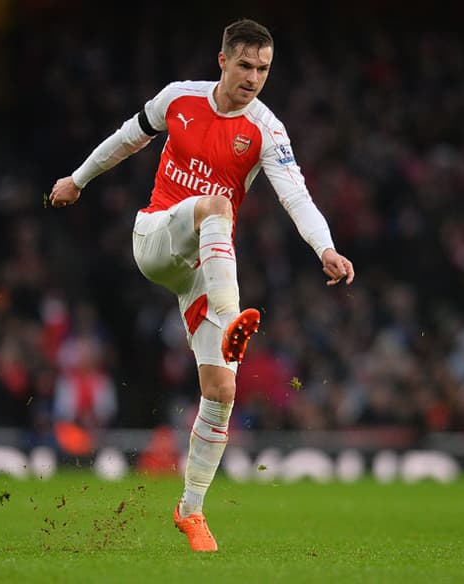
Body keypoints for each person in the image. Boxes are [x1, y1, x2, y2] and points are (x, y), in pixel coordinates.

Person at [49, 18, 354, 552]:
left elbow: (296, 196)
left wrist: (324, 247)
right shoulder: (179, 99)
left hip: (203, 270)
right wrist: (77, 180)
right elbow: (125, 140)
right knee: (217, 206)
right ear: (222, 61)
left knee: (222, 392)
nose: (254, 78)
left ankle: (191, 510)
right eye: (245, 65)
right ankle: (232, 315)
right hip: (158, 238)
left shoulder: (266, 129)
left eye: (263, 68)